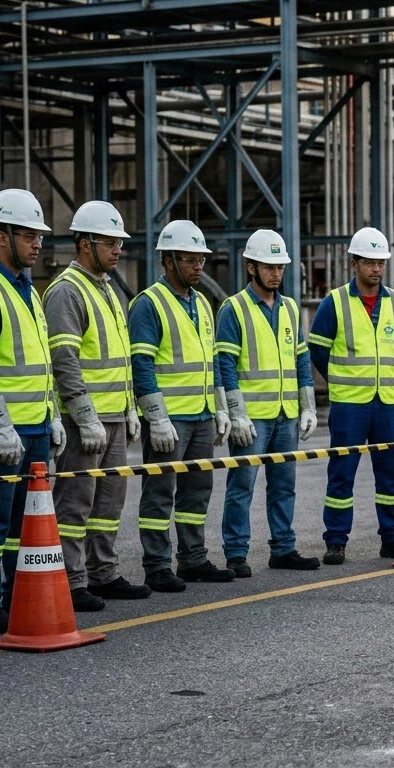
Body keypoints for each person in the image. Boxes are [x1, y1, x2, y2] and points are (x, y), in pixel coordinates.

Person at [0, 188, 67, 633]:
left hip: (34, 428)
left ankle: (11, 594)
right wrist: (0, 428)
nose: (38, 243)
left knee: (23, 523)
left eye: (39, 235)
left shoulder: (26, 290)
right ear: (1, 237)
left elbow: (40, 365)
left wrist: (52, 413)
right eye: (29, 235)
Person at [45, 200, 151, 611]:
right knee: (74, 503)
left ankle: (101, 572)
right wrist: (84, 415)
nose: (117, 249)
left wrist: (128, 409)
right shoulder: (67, 291)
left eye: (119, 243)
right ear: (85, 244)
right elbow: (65, 359)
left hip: (114, 419)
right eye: (109, 242)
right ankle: (72, 581)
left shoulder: (106, 289)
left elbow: (117, 358)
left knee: (108, 504)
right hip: (84, 422)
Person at [129, 219, 234, 591]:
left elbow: (214, 362)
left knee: (197, 492)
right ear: (168, 261)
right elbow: (140, 364)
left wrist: (221, 407)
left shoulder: (203, 303)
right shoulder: (149, 304)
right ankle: (156, 565)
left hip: (202, 416)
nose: (198, 267)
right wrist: (155, 418)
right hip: (171, 421)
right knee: (159, 495)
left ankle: (193, 559)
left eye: (201, 260)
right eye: (190, 260)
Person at [215, 229, 320, 576]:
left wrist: (308, 407)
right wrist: (236, 413)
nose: (276, 273)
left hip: (286, 414)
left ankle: (284, 548)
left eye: (280, 266)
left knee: (283, 485)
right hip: (253, 418)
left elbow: (301, 360)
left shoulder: (290, 308)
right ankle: (235, 552)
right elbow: (225, 365)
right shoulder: (234, 309)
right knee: (241, 486)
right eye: (269, 266)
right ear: (250, 267)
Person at [307, 227, 394, 565]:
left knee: (390, 473)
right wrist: (342, 379)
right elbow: (318, 351)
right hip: (350, 403)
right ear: (354, 263)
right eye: (370, 263)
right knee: (342, 473)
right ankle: (336, 540)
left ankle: (393, 538)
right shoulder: (334, 302)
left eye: (381, 263)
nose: (377, 269)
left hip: (387, 403)